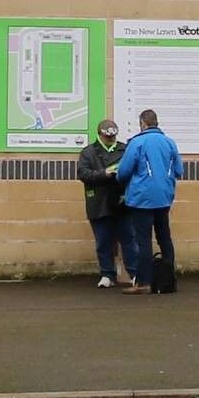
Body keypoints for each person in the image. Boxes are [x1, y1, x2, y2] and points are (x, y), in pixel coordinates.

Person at [112, 107, 180, 295]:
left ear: (143, 123)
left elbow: (124, 171)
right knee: (165, 238)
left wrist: (119, 179)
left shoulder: (137, 142)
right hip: (164, 198)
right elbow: (179, 170)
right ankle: (169, 280)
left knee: (143, 241)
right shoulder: (170, 143)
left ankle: (143, 282)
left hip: (142, 199)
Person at [75, 116, 128, 288]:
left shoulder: (124, 149)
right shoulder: (88, 152)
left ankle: (133, 273)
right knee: (103, 240)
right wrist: (105, 173)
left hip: (122, 201)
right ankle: (107, 274)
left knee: (128, 239)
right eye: (107, 137)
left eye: (113, 137)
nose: (111, 140)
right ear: (99, 135)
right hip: (99, 201)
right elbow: (83, 174)